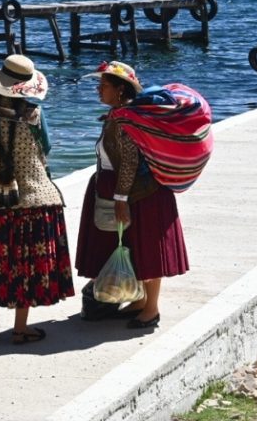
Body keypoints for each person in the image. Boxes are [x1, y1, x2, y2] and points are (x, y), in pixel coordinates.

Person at [75, 60, 211, 330]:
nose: (98, 90)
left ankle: (151, 310)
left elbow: (129, 163)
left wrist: (121, 199)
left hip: (140, 195)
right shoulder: (121, 116)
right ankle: (139, 303)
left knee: (147, 251)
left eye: (103, 85)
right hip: (133, 193)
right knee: (135, 249)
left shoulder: (125, 121)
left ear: (120, 90)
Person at [0, 54, 74, 344]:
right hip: (32, 200)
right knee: (25, 267)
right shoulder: (35, 116)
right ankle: (21, 328)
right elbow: (46, 148)